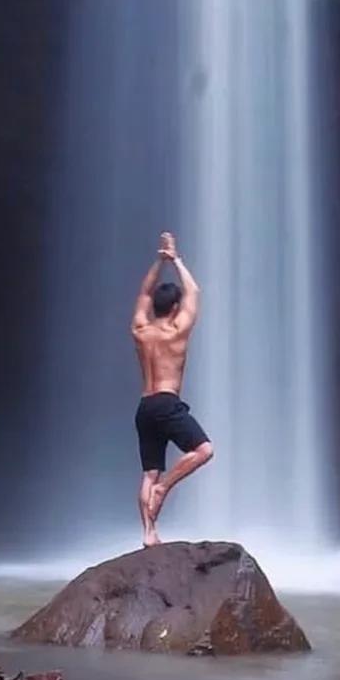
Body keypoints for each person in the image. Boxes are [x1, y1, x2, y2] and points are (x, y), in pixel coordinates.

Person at [131, 231, 214, 547]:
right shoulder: (177, 331)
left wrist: (158, 261)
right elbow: (194, 290)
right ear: (176, 306)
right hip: (167, 402)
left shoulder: (141, 329)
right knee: (203, 450)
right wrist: (175, 258)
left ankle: (149, 533)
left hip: (145, 406)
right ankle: (166, 487)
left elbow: (143, 292)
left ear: (155, 306)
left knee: (148, 472)